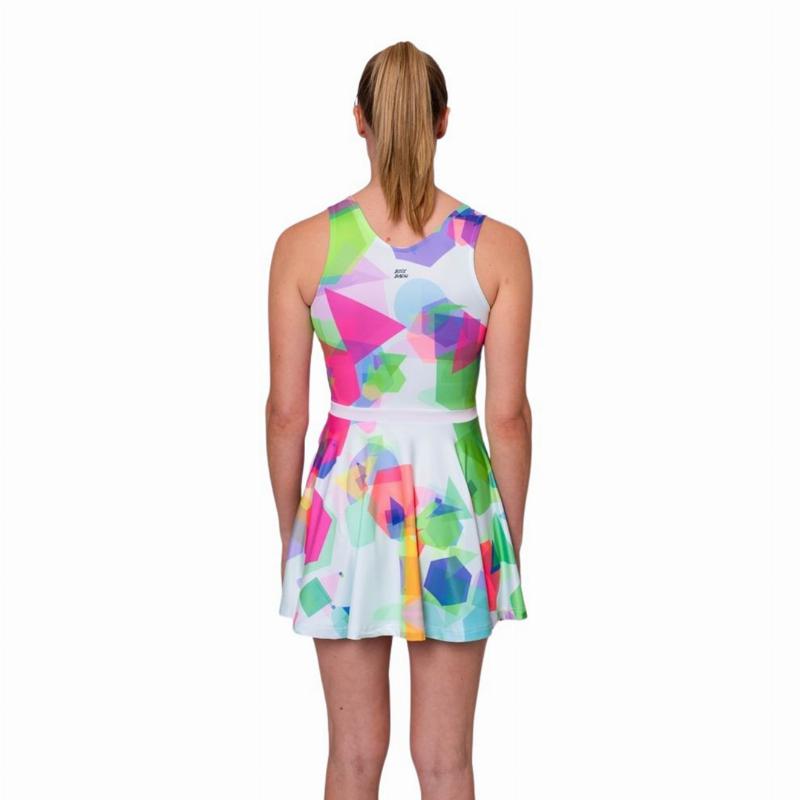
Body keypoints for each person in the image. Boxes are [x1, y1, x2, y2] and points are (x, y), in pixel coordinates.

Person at [266, 40, 533, 800]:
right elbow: (507, 418)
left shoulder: (304, 246)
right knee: (446, 764)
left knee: (352, 760)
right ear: (444, 120)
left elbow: (286, 414)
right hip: (455, 504)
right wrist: (504, 538)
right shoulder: (499, 249)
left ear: (359, 119)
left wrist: (293, 531)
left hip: (346, 502)